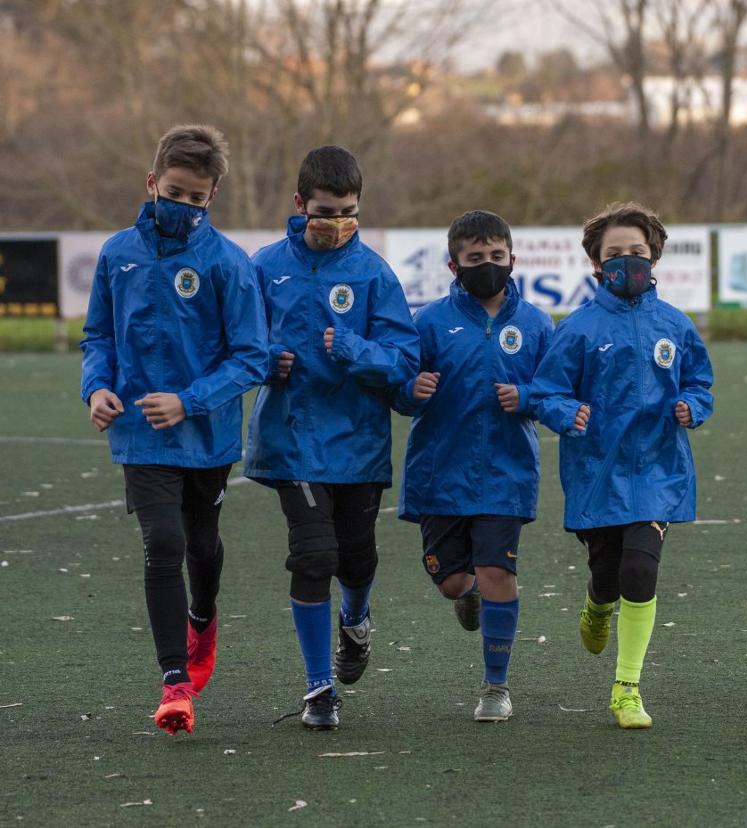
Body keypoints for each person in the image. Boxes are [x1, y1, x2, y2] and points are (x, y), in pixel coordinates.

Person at [80, 124, 268, 734]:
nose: (184, 206)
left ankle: (203, 615)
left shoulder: (227, 263)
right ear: (152, 182)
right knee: (163, 542)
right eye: (175, 192)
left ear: (212, 198)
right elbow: (99, 337)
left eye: (197, 198)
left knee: (201, 544)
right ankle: (174, 683)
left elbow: (250, 357)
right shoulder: (116, 254)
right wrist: (97, 388)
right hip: (140, 434)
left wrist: (190, 401)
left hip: (206, 436)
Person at [245, 145, 421, 729]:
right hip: (291, 440)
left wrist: (354, 350)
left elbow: (403, 361)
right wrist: (267, 359)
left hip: (359, 443)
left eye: (349, 212)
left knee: (356, 556)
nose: (338, 224)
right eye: (325, 212)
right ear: (299, 205)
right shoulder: (266, 267)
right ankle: (319, 689)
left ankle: (358, 620)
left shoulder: (374, 273)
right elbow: (236, 344)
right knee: (314, 555)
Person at [528, 202, 714, 729]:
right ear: (595, 264)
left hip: (659, 469)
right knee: (607, 574)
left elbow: (700, 382)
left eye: (636, 252)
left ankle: (626, 687)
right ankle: (596, 604)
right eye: (615, 254)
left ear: (653, 257)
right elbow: (546, 391)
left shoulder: (674, 324)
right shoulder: (579, 328)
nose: (627, 261)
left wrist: (692, 407)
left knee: (640, 568)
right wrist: (569, 411)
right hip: (596, 472)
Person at [392, 210, 552, 722]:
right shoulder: (429, 322)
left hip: (506, 473)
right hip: (441, 472)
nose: (488, 265)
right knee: (452, 581)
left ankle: (495, 687)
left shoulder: (536, 324)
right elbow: (401, 389)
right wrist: (409, 391)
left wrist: (527, 396)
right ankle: (469, 596)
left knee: (496, 571)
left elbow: (556, 392)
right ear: (453, 265)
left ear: (513, 259)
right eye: (475, 258)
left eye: (497, 257)